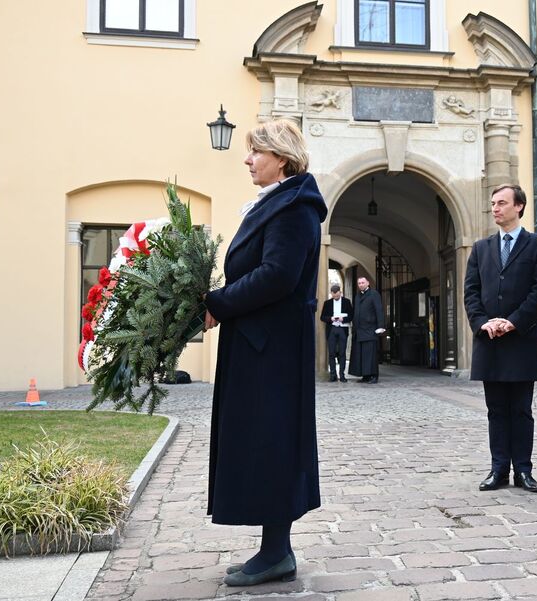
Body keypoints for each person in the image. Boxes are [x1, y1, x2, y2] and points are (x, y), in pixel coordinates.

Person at [202, 119, 326, 585]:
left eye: (256, 151)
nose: (247, 160)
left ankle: (277, 553)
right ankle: (274, 550)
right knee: (261, 443)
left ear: (282, 159)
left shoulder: (294, 208)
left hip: (272, 351)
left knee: (272, 444)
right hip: (259, 344)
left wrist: (218, 302)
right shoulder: (279, 202)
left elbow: (277, 276)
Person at [464, 183, 537, 493]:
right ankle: (499, 469)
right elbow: (471, 291)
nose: (495, 208)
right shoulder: (481, 248)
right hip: (489, 340)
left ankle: (523, 471)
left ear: (519, 206)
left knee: (521, 410)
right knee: (496, 410)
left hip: (521, 340)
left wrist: (513, 322)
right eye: (493, 203)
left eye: (502, 202)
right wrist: (483, 323)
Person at [349, 276, 385, 383]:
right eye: (359, 283)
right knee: (361, 355)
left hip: (370, 329)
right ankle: (365, 375)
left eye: (362, 282)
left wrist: (380, 326)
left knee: (370, 355)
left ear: (368, 283)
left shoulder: (374, 294)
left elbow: (379, 310)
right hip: (359, 330)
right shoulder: (357, 296)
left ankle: (374, 376)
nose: (361, 285)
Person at [319, 283, 353, 382]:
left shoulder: (347, 302)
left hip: (343, 329)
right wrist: (331, 318)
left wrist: (343, 319)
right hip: (332, 329)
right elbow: (322, 317)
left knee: (342, 353)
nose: (336, 297)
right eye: (334, 295)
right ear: (331, 294)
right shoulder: (327, 303)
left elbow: (351, 316)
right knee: (331, 353)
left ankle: (342, 375)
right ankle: (333, 375)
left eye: (337, 295)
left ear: (340, 292)